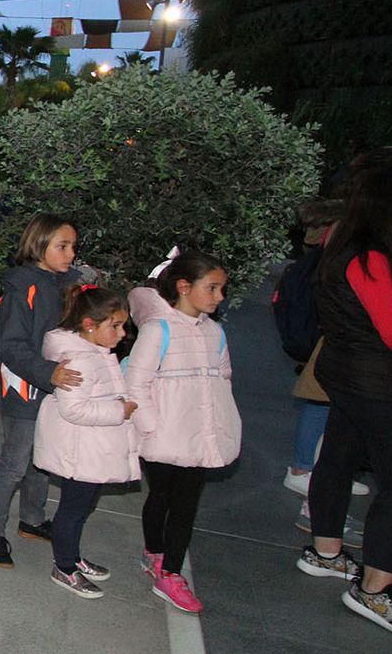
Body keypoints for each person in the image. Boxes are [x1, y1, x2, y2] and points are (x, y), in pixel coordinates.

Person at [299, 166, 392, 641]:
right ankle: (375, 590)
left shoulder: (344, 242)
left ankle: (326, 553)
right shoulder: (373, 256)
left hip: (349, 373)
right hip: (377, 382)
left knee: (338, 459)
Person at [125, 250, 241, 615]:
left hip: (199, 436)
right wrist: (152, 428)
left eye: (222, 289)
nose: (219, 296)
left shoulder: (215, 332)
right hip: (164, 434)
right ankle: (154, 552)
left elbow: (223, 379)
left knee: (185, 504)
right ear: (184, 287)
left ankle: (171, 572)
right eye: (212, 288)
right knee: (161, 495)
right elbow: (136, 384)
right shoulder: (158, 330)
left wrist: (218, 425)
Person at [0, 214, 83, 568]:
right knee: (14, 462)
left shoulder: (65, 285)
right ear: (38, 245)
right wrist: (47, 372)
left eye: (73, 246)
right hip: (25, 388)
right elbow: (12, 346)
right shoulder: (22, 288)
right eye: (62, 246)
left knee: (42, 459)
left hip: (54, 386)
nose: (70, 254)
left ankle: (32, 519)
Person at [34, 285, 140, 599]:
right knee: (72, 510)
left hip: (92, 449)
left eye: (123, 326)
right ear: (89, 325)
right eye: (115, 326)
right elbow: (74, 409)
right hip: (80, 452)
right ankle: (64, 567)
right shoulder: (79, 361)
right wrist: (119, 411)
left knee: (82, 508)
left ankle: (72, 556)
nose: (122, 334)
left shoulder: (98, 354)